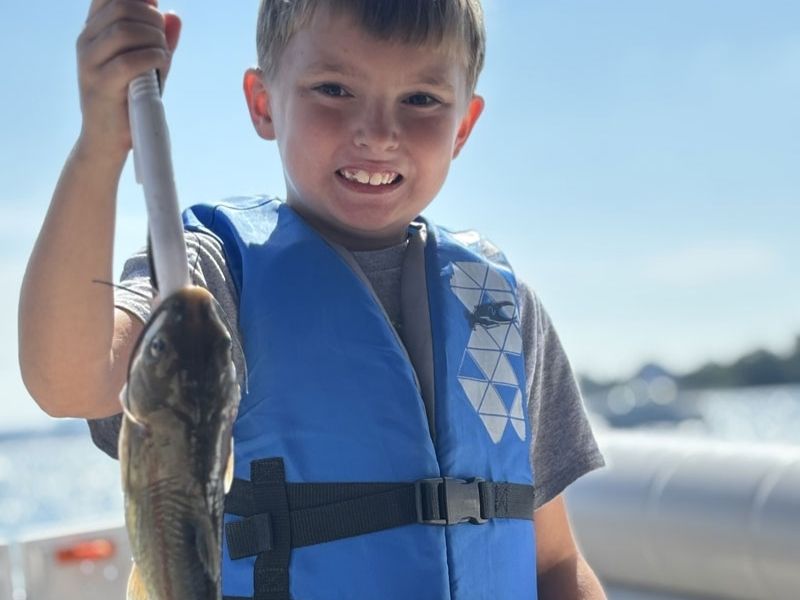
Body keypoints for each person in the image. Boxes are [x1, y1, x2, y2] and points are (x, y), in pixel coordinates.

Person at [18, 0, 607, 598]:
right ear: (263, 102)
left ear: (463, 126)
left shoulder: (498, 311)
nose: (379, 133)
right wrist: (100, 148)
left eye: (421, 99)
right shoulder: (211, 277)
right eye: (334, 89)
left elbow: (555, 561)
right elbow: (68, 380)